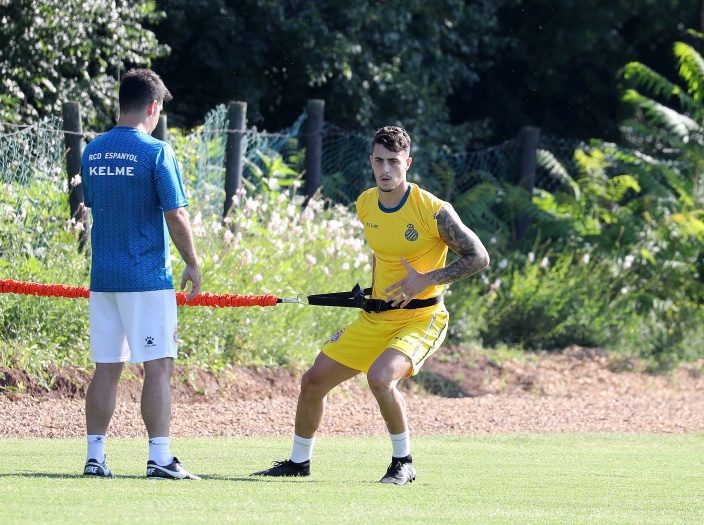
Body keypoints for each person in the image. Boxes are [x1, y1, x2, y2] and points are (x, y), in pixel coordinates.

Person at [251, 126, 489, 485]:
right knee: (313, 381)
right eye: (379, 161)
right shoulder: (365, 204)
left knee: (380, 378)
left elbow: (479, 257)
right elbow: (383, 254)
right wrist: (373, 292)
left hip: (421, 318)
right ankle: (299, 463)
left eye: (393, 161)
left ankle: (403, 463)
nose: (385, 169)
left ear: (407, 163)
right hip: (376, 317)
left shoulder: (433, 210)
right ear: (371, 161)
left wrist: (425, 279)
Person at [79, 68, 202, 480]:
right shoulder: (157, 151)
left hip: (103, 278)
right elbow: (176, 213)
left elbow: (97, 205)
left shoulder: (92, 151)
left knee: (106, 368)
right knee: (158, 366)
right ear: (153, 106)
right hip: (146, 277)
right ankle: (160, 458)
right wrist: (193, 262)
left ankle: (95, 458)